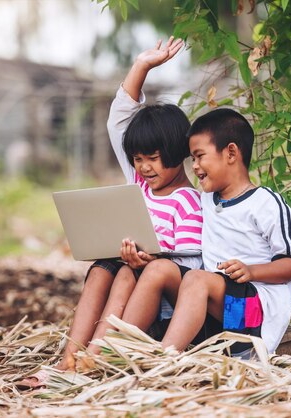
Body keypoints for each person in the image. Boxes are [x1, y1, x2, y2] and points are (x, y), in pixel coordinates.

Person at [18, 37, 203, 388]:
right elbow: (119, 124)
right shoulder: (141, 184)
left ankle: (97, 358)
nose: (144, 167)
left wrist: (146, 262)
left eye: (153, 158)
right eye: (137, 159)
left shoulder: (189, 201)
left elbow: (190, 269)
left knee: (125, 274)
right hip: (132, 276)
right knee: (103, 269)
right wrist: (141, 67)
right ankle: (69, 360)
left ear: (177, 152)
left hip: (162, 302)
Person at [122, 108, 291, 357]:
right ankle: (118, 350)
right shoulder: (207, 200)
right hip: (214, 308)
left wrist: (252, 270)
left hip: (253, 316)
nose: (195, 166)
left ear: (231, 152)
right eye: (193, 158)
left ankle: (165, 358)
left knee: (197, 279)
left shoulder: (267, 204)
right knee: (159, 269)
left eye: (200, 156)